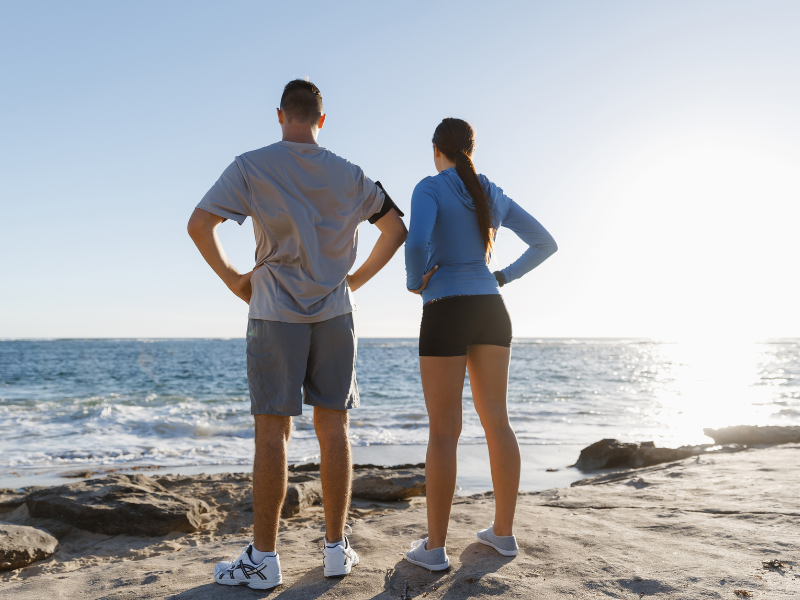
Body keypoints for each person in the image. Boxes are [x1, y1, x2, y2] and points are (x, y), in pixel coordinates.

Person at [187, 79, 407, 590]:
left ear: (281, 114)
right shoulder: (349, 173)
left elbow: (200, 224)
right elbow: (396, 228)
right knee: (335, 429)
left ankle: (264, 559)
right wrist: (354, 282)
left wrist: (235, 280)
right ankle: (335, 550)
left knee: (272, 434)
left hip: (273, 310)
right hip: (335, 311)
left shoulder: (251, 165)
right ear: (321, 120)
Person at [403, 118, 557, 570]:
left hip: (446, 309)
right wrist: (502, 277)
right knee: (497, 424)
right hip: (491, 309)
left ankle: (434, 549)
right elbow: (544, 243)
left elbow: (415, 244)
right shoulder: (490, 190)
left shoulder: (429, 188)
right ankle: (503, 535)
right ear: (471, 149)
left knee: (444, 432)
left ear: (436, 149)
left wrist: (416, 283)